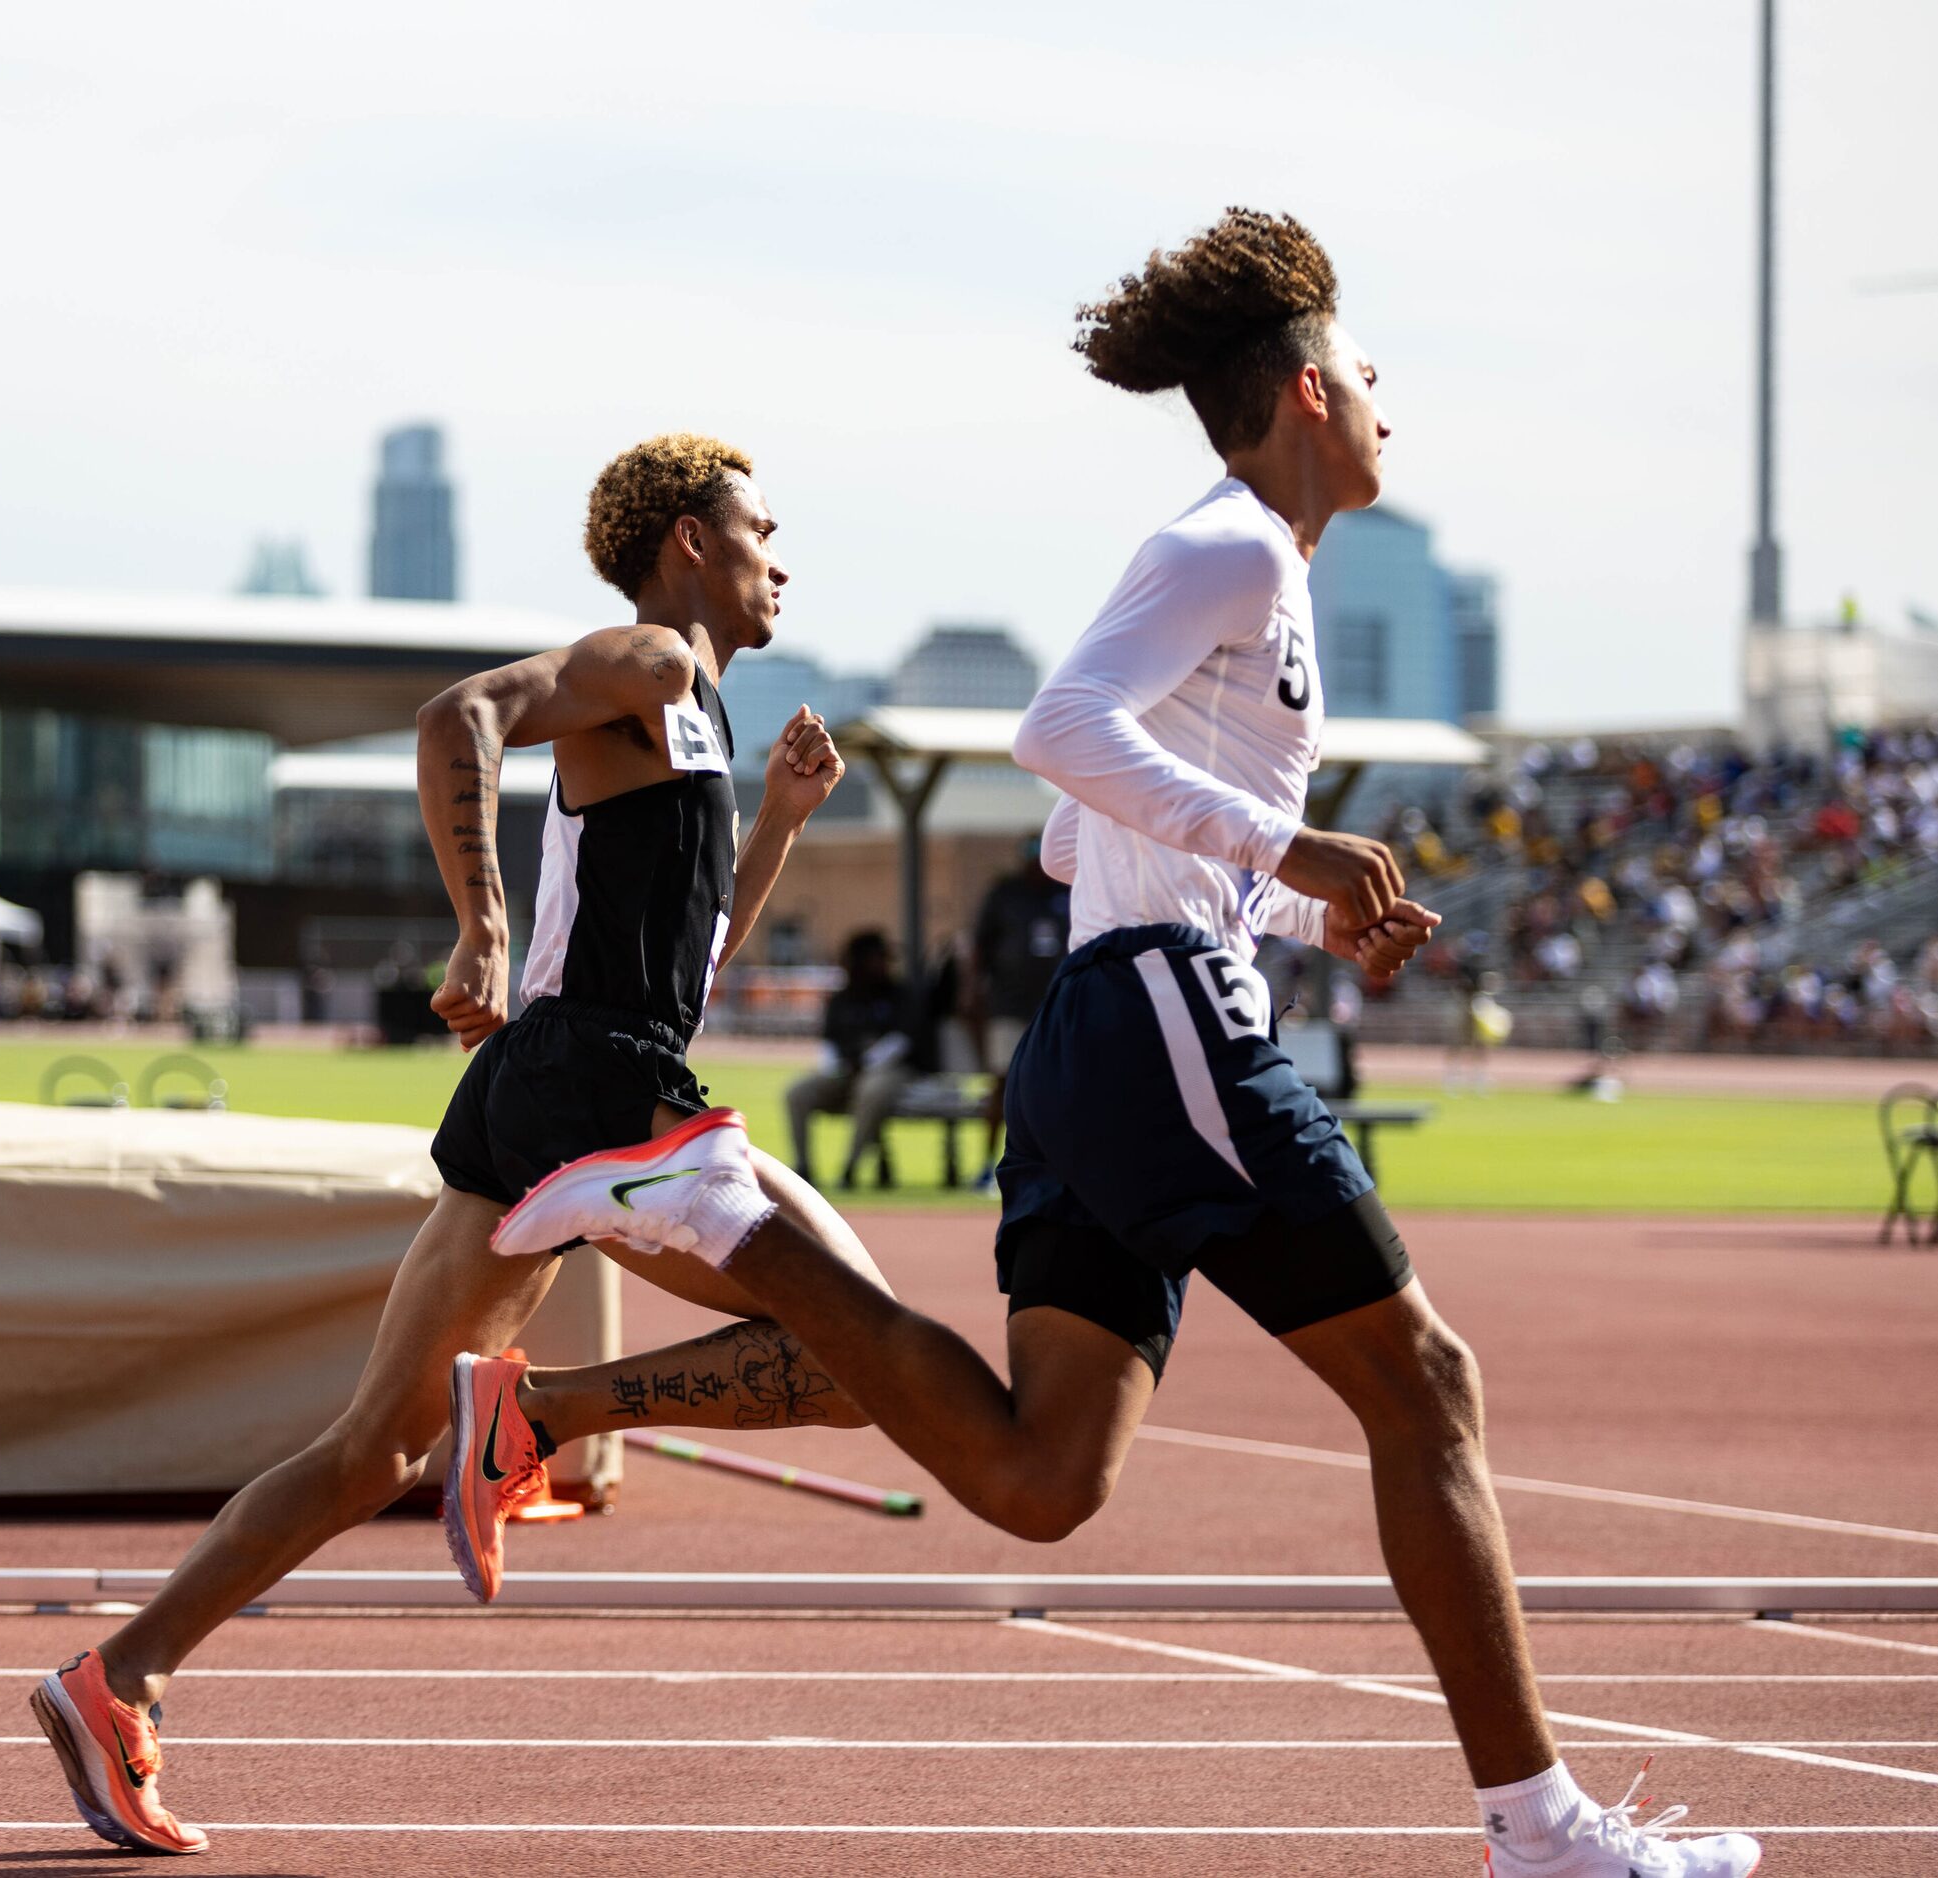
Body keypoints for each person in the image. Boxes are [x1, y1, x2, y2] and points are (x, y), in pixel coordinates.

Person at [494, 212, 1757, 1877]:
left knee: (1040, 1477)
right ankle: (1546, 1835)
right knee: (1425, 1383)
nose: (1391, 406)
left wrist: (1309, 912)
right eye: (1373, 377)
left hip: (1117, 1020)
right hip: (1160, 1014)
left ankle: (738, 1231)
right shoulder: (1227, 545)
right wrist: (1285, 852)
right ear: (1307, 390)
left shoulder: (1261, 579)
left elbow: (1082, 844)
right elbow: (1053, 734)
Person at [29, 433, 897, 1855]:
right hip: (598, 1088)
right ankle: (541, 1410)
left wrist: (783, 826)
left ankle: (116, 1673)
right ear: (689, 540)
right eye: (760, 527)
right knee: (868, 1354)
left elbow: (684, 960)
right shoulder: (649, 661)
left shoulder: (698, 721)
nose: (779, 556)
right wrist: (479, 923)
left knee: (371, 1447)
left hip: (553, 1084)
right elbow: (461, 717)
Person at [961, 837, 1070, 1190]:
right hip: (1009, 1005)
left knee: (1057, 1085)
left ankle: (1055, 1162)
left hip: (1055, 1006)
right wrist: (973, 991)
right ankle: (986, 1165)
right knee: (1004, 1084)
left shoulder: (1068, 891)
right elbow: (980, 947)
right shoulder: (1006, 894)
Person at [782, 928, 919, 1188]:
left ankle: (849, 1169)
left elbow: (903, 1041)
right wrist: (839, 1067)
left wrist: (866, 1063)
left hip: (892, 1072)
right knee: (797, 1093)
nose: (881, 965)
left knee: (870, 1090)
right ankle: (803, 1168)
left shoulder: (900, 995)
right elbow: (830, 1042)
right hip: (844, 1071)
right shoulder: (842, 999)